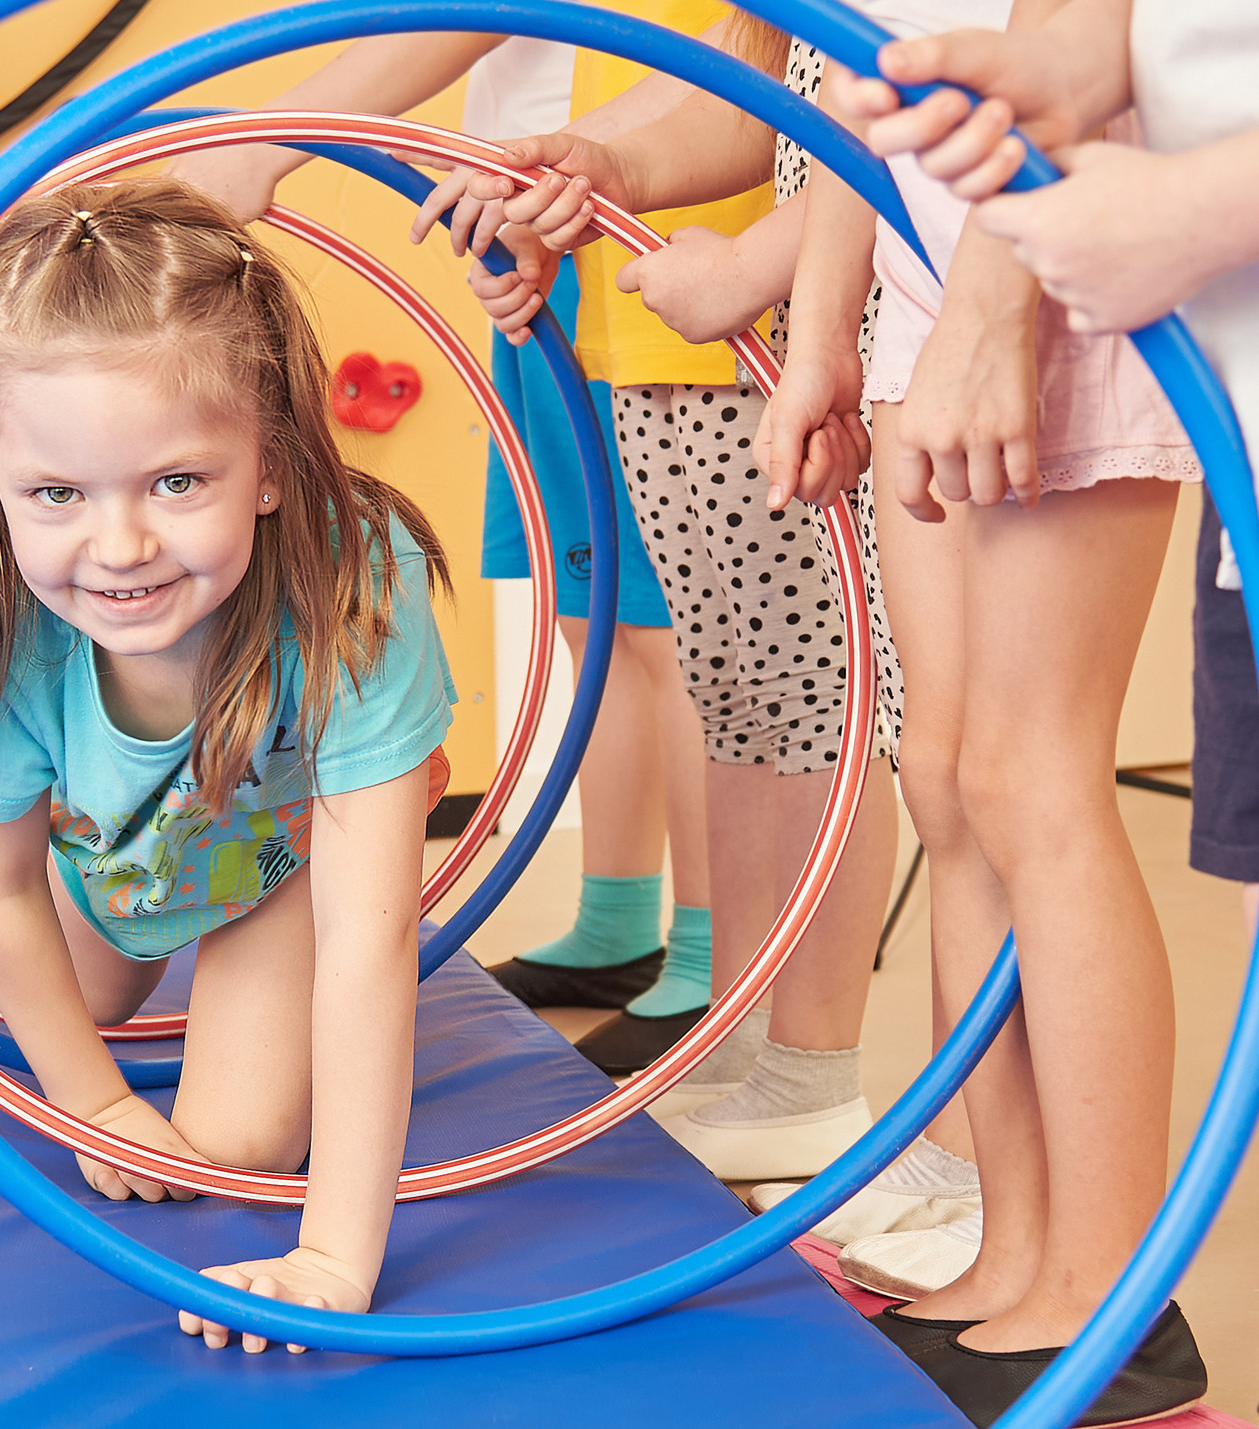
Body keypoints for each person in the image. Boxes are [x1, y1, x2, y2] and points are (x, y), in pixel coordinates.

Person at [0, 178, 456, 1352]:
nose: (118, 546)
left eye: (175, 481)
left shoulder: (355, 576)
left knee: (234, 1146)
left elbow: (372, 940)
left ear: (267, 463)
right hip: (111, 860)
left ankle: (227, 978)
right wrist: (94, 1104)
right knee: (51, 1005)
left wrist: (330, 1259)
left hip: (285, 861)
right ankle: (121, 975)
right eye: (55, 493)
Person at [759, 0, 1211, 1417]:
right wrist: (828, 325)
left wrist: (992, 308)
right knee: (946, 781)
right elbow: (851, 64)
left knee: (1033, 778)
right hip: (926, 271)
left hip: (1050, 253)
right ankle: (1018, 1242)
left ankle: (1114, 1280)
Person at [414, 12, 906, 1183]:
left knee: (812, 720)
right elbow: (741, 99)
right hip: (671, 334)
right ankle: (743, 1038)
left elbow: (881, 139)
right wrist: (599, 168)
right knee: (735, 706)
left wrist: (753, 276)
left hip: (780, 346)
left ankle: (807, 1066)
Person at [168, 25, 718, 1036]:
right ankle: (617, 918)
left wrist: (262, 145)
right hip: (542, 224)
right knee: (588, 607)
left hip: (635, 223)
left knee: (664, 630)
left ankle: (707, 949)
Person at [830, 0, 1259, 955]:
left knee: (1023, 782)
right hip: (940, 293)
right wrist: (1062, 71)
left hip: (1067, 299)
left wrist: (1177, 204)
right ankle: (964, 1116)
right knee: (949, 779)